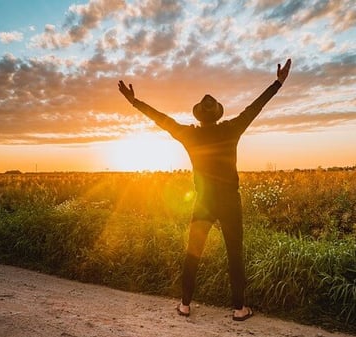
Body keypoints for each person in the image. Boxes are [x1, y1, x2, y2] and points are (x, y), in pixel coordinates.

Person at [118, 59, 291, 321]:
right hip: (230, 201)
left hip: (204, 201)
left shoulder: (190, 135)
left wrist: (134, 102)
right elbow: (255, 107)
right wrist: (277, 83)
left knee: (193, 252)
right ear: (218, 114)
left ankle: (185, 305)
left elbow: (161, 120)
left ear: (198, 116)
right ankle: (239, 309)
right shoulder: (232, 129)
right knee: (235, 253)